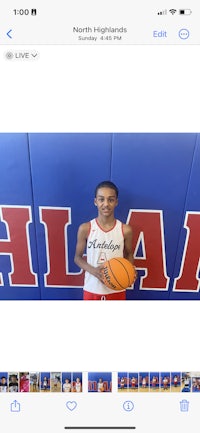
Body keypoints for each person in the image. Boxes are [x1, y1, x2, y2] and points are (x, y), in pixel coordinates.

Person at [74, 180, 136, 300]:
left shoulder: (125, 229)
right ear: (95, 201)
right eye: (101, 199)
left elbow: (129, 254)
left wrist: (129, 270)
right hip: (92, 288)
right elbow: (77, 258)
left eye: (111, 199)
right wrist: (94, 271)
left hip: (117, 288)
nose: (106, 204)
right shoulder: (85, 228)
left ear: (116, 202)